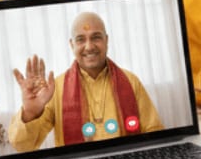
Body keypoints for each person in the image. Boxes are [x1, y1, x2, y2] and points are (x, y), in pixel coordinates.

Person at [9, 11, 163, 151]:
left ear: (106, 40)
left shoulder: (130, 81)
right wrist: (31, 112)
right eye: (81, 39)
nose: (89, 47)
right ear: (72, 45)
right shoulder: (55, 89)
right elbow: (22, 146)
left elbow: (154, 131)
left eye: (96, 37)